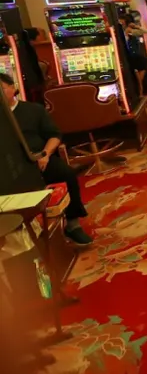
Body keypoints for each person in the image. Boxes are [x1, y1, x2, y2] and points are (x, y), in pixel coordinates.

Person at [0, 72, 93, 245]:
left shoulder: (33, 110)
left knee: (66, 174)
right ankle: (17, 237)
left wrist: (45, 154)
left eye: (1, 89)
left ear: (13, 88)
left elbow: (54, 135)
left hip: (39, 159)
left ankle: (73, 224)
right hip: (10, 166)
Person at [124, 13, 147, 97]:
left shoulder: (129, 31)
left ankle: (141, 94)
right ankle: (141, 94)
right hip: (131, 57)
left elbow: (146, 31)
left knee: (139, 80)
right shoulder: (122, 32)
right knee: (137, 79)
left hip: (136, 58)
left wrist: (136, 26)